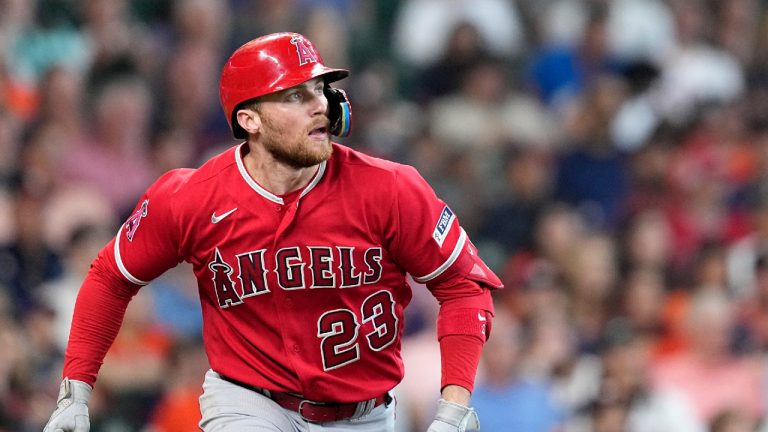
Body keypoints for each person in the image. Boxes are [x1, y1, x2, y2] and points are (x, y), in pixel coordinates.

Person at [44, 32, 502, 432]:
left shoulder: (391, 189)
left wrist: (454, 403)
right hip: (247, 403)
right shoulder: (191, 197)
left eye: (320, 89)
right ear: (250, 120)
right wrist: (76, 389)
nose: (320, 104)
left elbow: (464, 285)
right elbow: (111, 276)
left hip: (365, 413)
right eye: (295, 95)